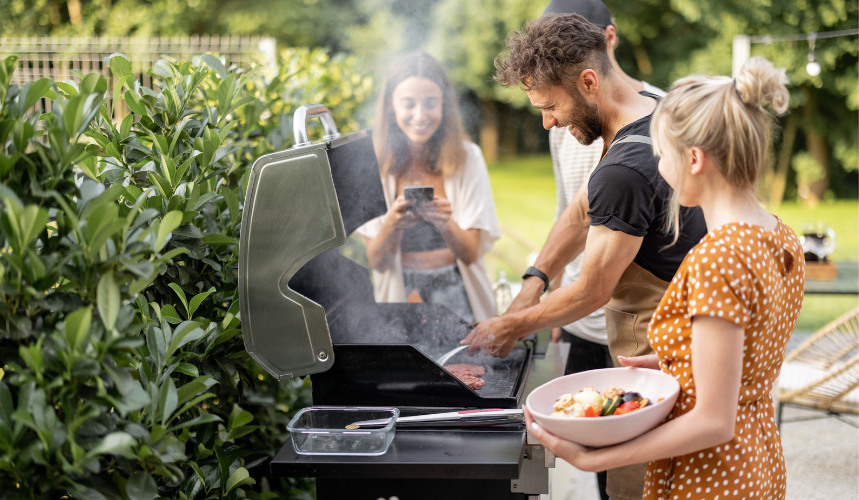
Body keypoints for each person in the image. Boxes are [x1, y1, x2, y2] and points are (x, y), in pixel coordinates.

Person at [524, 56, 805, 500]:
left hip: (710, 476)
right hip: (758, 458)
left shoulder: (718, 257)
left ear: (693, 159)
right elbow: (749, 351)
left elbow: (714, 420)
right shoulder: (779, 236)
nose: (658, 168)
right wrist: (668, 363)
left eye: (661, 154)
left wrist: (599, 457)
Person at [459, 14, 707, 499]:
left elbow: (594, 288)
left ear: (588, 82)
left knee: (645, 488)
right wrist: (534, 281)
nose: (547, 121)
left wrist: (511, 327)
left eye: (550, 106)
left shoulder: (626, 169)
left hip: (659, 351)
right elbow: (580, 210)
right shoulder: (652, 110)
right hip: (687, 344)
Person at [540, 2, 667, 498]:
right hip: (582, 322)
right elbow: (569, 211)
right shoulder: (564, 117)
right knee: (604, 465)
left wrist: (513, 322)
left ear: (605, 41)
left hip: (646, 332)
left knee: (642, 469)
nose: (548, 120)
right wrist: (543, 285)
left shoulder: (660, 117)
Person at [356, 52, 501, 323]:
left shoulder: (468, 158)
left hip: (460, 297)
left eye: (431, 103)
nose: (420, 115)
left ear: (444, 104)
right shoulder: (371, 164)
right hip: (399, 301)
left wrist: (445, 222)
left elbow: (470, 254)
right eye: (408, 104)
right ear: (390, 105)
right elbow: (377, 261)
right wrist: (393, 224)